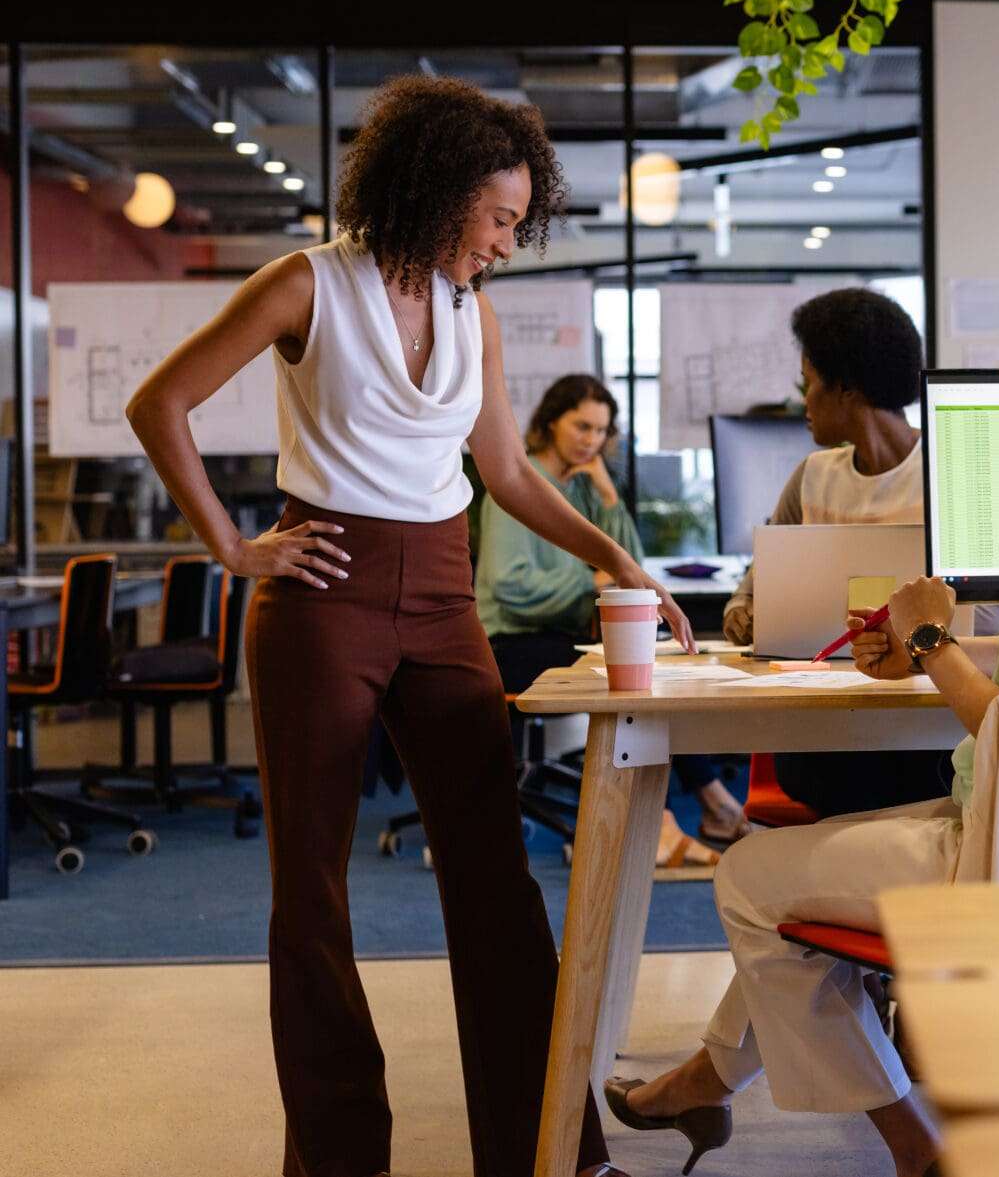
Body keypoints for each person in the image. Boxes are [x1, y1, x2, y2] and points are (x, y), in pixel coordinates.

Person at [125, 73, 694, 1177]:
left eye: (517, 224)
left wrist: (616, 554)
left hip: (441, 593)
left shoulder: (469, 311)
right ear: (439, 194)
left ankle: (548, 1148)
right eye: (499, 219)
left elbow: (507, 475)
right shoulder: (308, 285)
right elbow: (163, 403)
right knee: (314, 887)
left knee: (492, 874)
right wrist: (234, 549)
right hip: (321, 592)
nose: (507, 243)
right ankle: (340, 1156)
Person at [603, 267, 999, 1177]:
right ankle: (711, 1078)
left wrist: (930, 636)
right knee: (796, 888)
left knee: (746, 879)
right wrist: (937, 656)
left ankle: (911, 1144)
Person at [477, 373, 745, 863]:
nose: (591, 440)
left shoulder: (580, 487)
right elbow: (507, 586)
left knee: (649, 675)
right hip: (510, 643)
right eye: (581, 426)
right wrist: (592, 583)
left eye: (601, 431)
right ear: (550, 422)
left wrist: (607, 497)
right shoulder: (518, 485)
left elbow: (631, 571)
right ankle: (678, 816)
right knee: (635, 681)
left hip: (563, 636)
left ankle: (703, 809)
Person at [721, 286, 951, 817]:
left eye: (811, 383)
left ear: (846, 388)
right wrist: (742, 614)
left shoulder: (944, 470)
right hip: (827, 719)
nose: (803, 401)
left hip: (927, 714)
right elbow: (751, 589)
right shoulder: (811, 477)